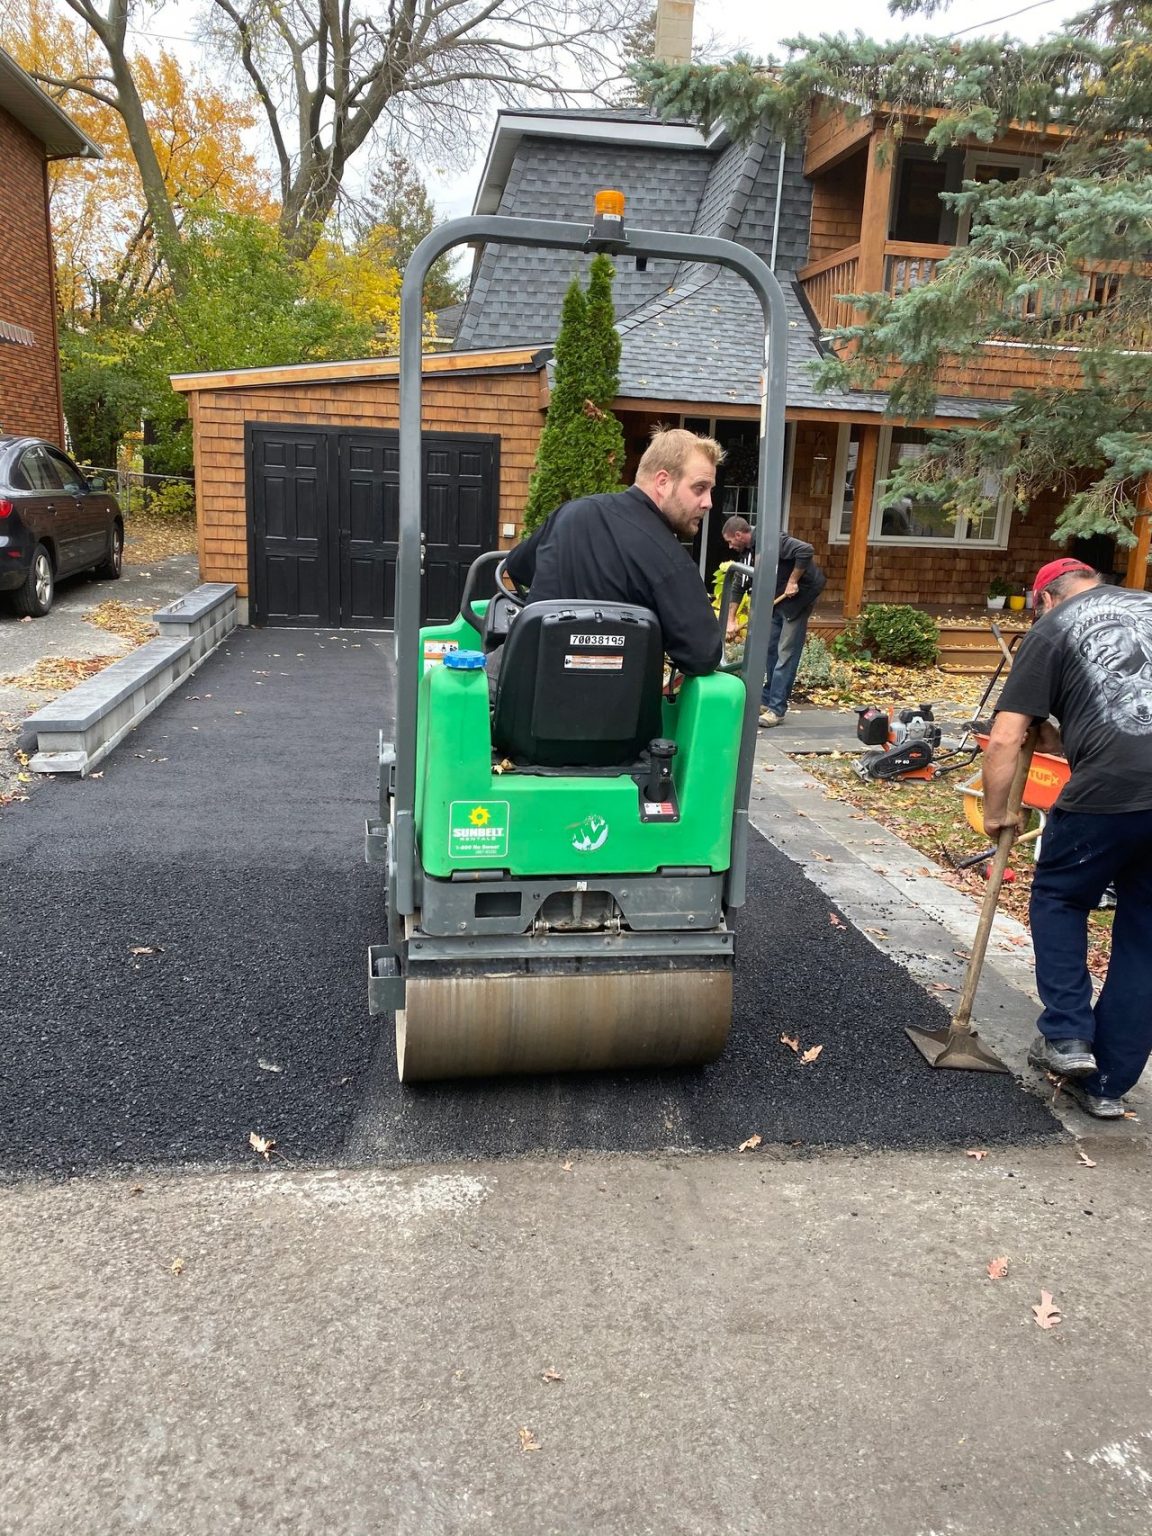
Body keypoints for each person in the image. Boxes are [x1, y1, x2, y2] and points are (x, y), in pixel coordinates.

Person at [982, 556, 1152, 1118]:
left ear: (1045, 599)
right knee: (1146, 936)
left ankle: (1069, 1034)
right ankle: (1106, 1085)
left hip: (1111, 790)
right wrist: (1059, 731)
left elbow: (1004, 738)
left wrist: (996, 812)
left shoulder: (1052, 628)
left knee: (1060, 895)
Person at [503, 428, 724, 677]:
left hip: (523, 689)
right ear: (663, 482)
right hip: (618, 701)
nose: (708, 502)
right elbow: (703, 655)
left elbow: (517, 567)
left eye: (710, 490)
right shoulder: (671, 560)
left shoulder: (572, 513)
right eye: (699, 488)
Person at [721, 515, 827, 727]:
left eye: (730, 541)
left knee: (785, 653)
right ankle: (767, 699)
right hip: (776, 600)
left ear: (739, 535)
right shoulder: (747, 551)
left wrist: (793, 581)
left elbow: (805, 550)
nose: (730, 546)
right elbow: (739, 585)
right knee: (770, 650)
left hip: (798, 599)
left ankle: (777, 709)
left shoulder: (771, 540)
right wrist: (731, 620)